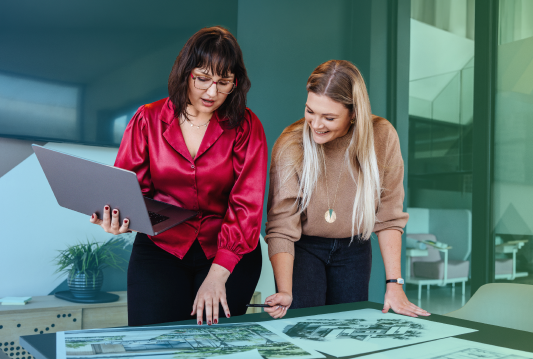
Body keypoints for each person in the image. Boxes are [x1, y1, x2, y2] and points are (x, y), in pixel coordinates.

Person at [90, 26, 268, 326]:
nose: (212, 92)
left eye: (224, 82)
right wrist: (118, 218)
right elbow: (130, 190)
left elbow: (246, 208)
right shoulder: (147, 118)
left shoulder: (247, 126)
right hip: (162, 247)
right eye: (203, 79)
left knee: (213, 348)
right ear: (186, 72)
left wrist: (216, 276)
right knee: (151, 344)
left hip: (227, 252)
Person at [263, 60, 429, 319]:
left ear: (354, 114)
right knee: (303, 329)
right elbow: (281, 225)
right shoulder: (290, 144)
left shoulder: (382, 137)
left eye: (329, 117)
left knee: (348, 331)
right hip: (304, 248)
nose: (316, 124)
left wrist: (394, 285)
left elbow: (389, 217)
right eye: (310, 111)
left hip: (355, 248)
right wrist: (285, 290)